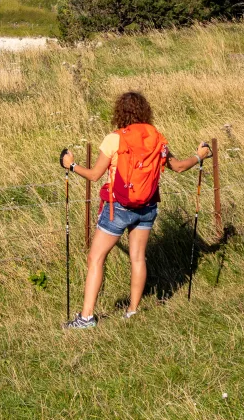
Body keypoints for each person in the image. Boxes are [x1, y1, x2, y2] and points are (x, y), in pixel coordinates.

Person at [60, 90, 211, 329]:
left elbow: (94, 175)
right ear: (145, 111)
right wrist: (199, 155)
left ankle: (87, 317)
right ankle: (133, 311)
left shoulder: (115, 139)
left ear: (119, 112)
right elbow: (180, 167)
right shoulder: (156, 138)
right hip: (148, 205)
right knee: (138, 257)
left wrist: (71, 165)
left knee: (96, 258)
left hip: (118, 207)